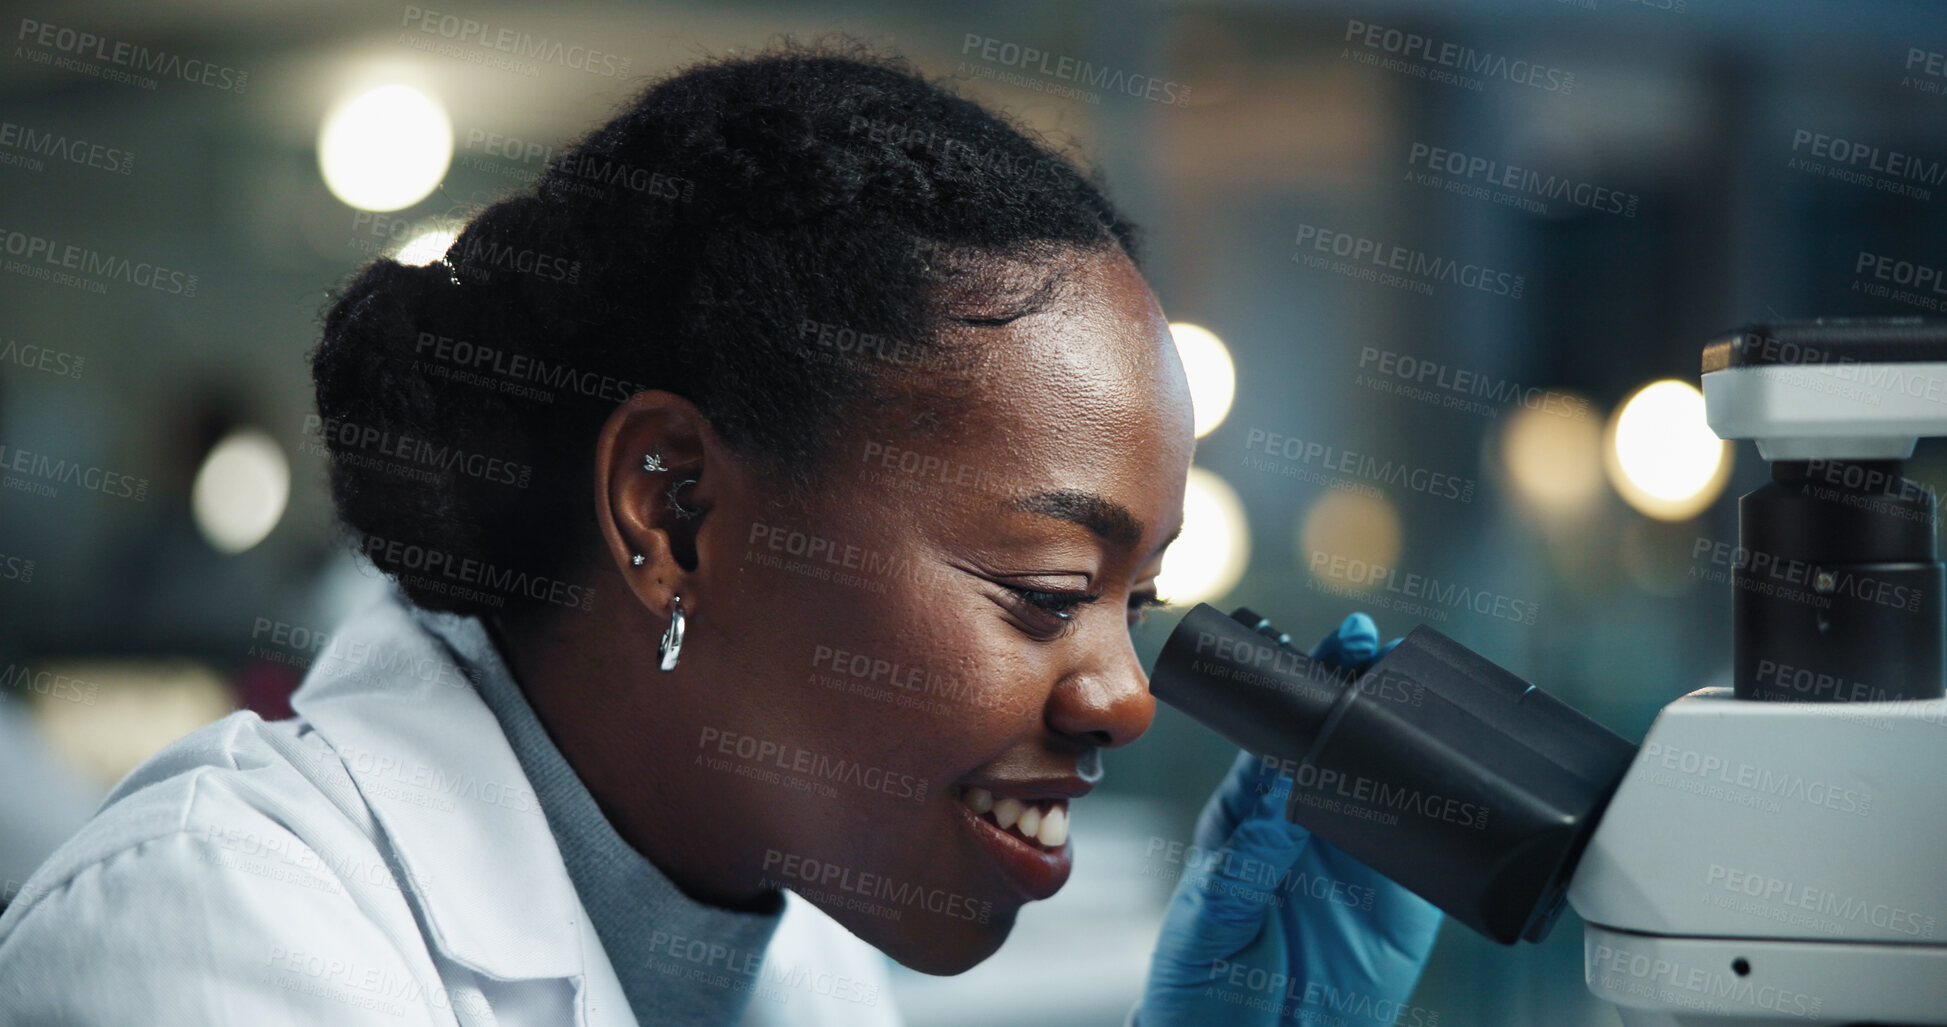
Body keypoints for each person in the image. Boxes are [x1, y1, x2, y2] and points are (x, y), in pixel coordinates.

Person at [0, 38, 1439, 1025]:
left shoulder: (793, 953)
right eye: (1044, 587)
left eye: (1139, 597)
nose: (1125, 695)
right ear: (674, 511)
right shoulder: (211, 934)